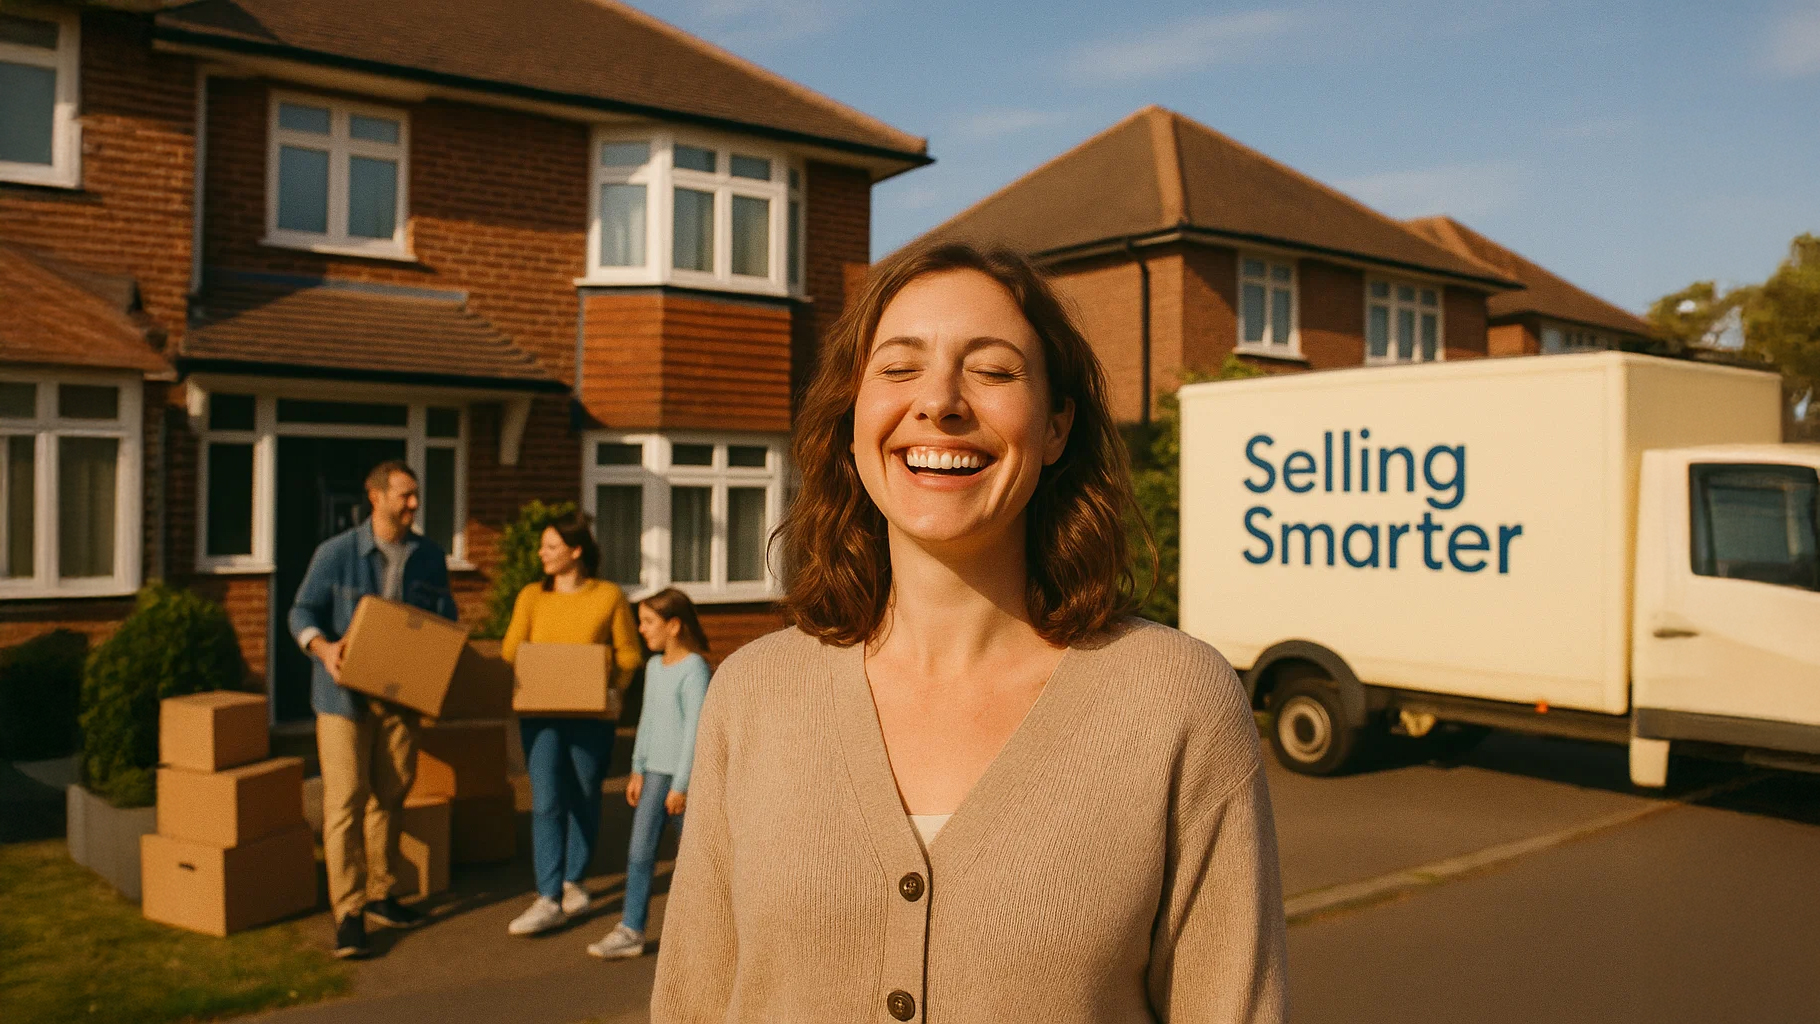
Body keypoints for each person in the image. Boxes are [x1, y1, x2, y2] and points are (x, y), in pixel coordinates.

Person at [650, 240, 1288, 1023]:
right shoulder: (752, 696)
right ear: (852, 417)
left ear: (1056, 428)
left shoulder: (1174, 701)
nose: (940, 402)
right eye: (898, 368)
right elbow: (693, 1001)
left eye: (991, 371)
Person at [291, 459, 457, 960]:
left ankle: (383, 893)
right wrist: (323, 648)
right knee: (345, 800)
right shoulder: (337, 553)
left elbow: (443, 617)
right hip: (342, 698)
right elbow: (301, 611)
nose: (413, 504)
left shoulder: (427, 556)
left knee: (390, 794)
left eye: (415, 495)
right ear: (375, 496)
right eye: (404, 495)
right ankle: (349, 913)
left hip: (400, 701)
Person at [500, 513, 642, 937]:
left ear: (575, 550)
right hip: (541, 714)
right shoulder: (531, 597)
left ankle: (573, 882)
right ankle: (547, 896)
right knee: (545, 800)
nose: (542, 553)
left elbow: (630, 653)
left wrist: (613, 688)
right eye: (543, 547)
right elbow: (511, 650)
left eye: (551, 547)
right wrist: (552, 669)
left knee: (583, 795)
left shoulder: (608, 596)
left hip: (591, 715)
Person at [588, 588, 711, 959]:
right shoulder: (655, 668)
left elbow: (695, 730)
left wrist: (682, 785)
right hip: (653, 776)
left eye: (648, 622)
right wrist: (637, 768)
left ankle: (708, 934)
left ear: (674, 626)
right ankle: (631, 929)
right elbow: (647, 721)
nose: (641, 629)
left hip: (680, 782)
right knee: (639, 854)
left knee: (699, 862)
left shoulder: (695, 670)